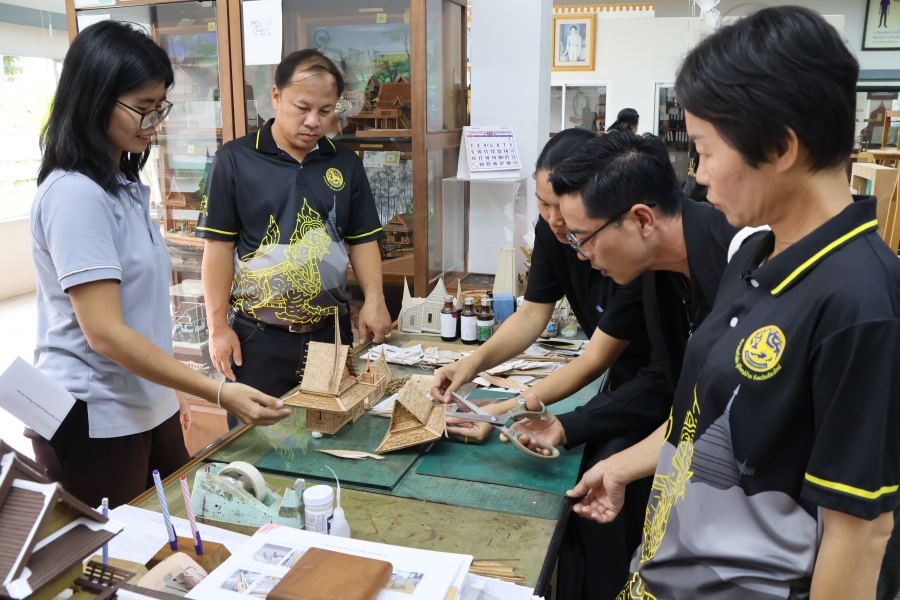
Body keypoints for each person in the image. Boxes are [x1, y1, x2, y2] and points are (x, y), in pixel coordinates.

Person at [568, 7, 899, 598]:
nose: (699, 176)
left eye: (706, 150)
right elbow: (705, 416)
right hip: (667, 573)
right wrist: (621, 467)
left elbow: (860, 533)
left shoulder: (862, 302)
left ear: (779, 147)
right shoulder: (751, 253)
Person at [28, 20, 291, 509]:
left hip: (143, 404)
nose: (154, 121)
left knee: (182, 531)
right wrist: (216, 391)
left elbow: (141, 316)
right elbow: (106, 334)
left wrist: (169, 392)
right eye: (143, 108)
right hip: (96, 416)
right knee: (125, 547)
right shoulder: (74, 194)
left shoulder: (122, 187)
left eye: (160, 106)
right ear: (94, 99)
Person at [197, 50, 391, 421]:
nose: (313, 121)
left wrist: (375, 299)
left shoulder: (345, 163)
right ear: (276, 96)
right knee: (259, 439)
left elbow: (363, 238)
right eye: (302, 108)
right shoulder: (235, 159)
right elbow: (218, 248)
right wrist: (217, 327)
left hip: (329, 335)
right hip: (257, 338)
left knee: (328, 426)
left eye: (326, 110)